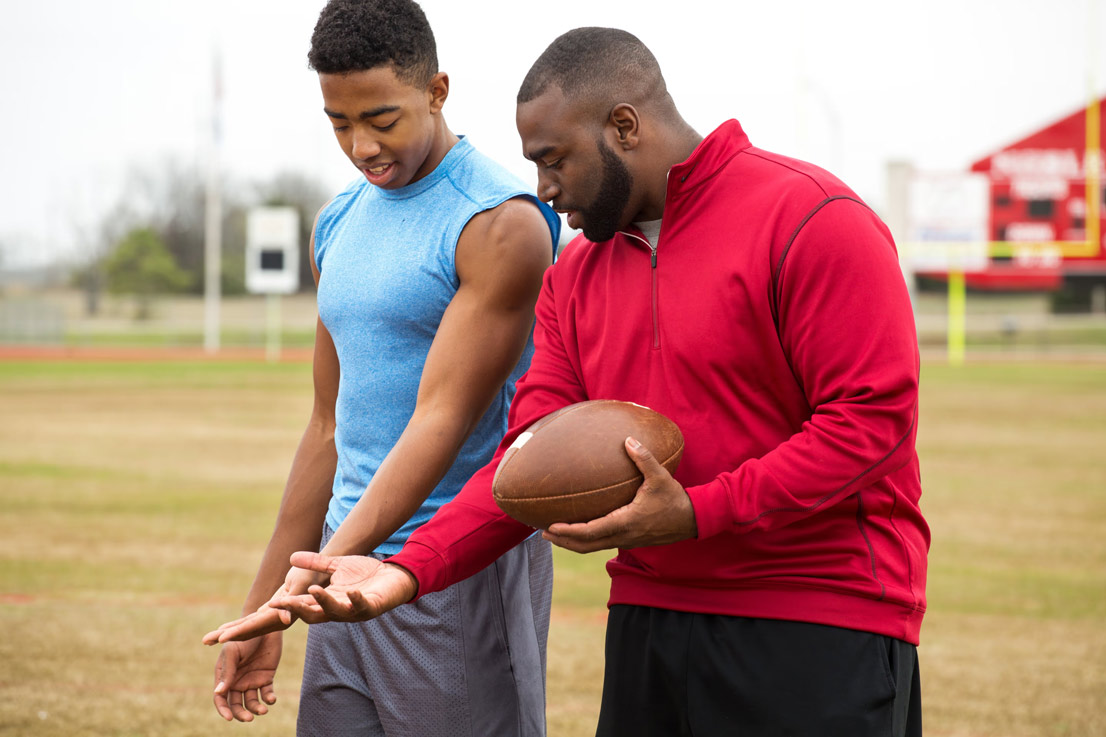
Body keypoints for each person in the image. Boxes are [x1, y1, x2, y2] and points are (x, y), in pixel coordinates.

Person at [213, 26, 929, 737]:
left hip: (823, 615)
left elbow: (869, 425)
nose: (543, 189)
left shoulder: (815, 219)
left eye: (554, 161)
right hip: (651, 616)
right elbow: (521, 463)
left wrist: (698, 512)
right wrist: (408, 570)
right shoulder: (575, 276)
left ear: (623, 127)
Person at [203, 1, 560, 735]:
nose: (361, 144)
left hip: (449, 565)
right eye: (339, 122)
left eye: (382, 118)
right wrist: (271, 597)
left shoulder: (500, 222)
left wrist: (311, 573)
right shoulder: (337, 220)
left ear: (437, 90)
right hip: (340, 567)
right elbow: (328, 427)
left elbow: (442, 418)